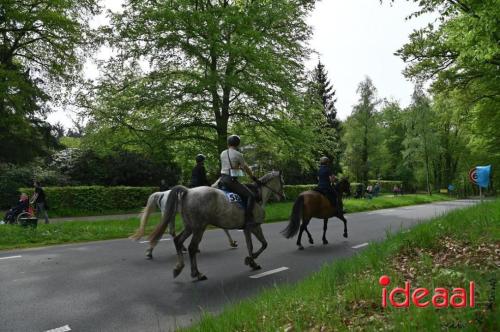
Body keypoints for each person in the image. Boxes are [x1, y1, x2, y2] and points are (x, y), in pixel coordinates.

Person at [219, 135, 260, 229]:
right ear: (238, 144)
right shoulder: (238, 154)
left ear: (228, 143)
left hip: (222, 179)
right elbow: (245, 167)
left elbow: (229, 166)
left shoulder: (223, 153)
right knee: (251, 195)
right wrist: (253, 177)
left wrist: (237, 167)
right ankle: (248, 220)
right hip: (231, 181)